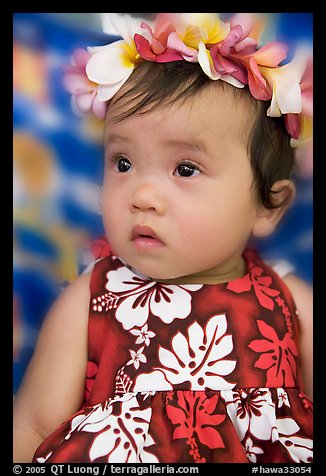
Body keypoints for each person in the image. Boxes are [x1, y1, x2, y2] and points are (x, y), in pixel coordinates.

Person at [13, 13, 313, 464]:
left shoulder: (291, 301)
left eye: (186, 169)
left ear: (268, 206)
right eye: (122, 163)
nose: (142, 196)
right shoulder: (91, 297)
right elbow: (33, 424)